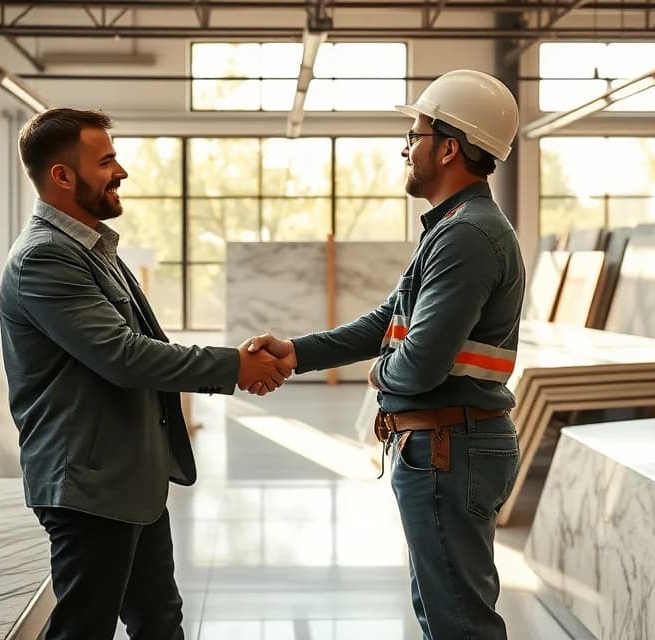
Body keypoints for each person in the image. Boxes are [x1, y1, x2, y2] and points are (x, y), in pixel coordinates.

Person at [243, 69, 526, 639]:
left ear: (449, 148)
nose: (405, 146)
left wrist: (378, 374)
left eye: (416, 134)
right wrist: (295, 352)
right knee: (441, 608)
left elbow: (417, 364)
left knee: (458, 623)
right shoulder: (452, 228)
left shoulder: (466, 236)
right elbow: (387, 321)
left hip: (451, 447)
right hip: (447, 444)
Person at [0, 108, 293, 640]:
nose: (122, 171)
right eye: (106, 159)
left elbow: (141, 348)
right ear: (62, 176)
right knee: (83, 628)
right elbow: (125, 356)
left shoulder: (92, 248)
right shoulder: (46, 258)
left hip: (128, 475)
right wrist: (236, 367)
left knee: (158, 619)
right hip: (89, 485)